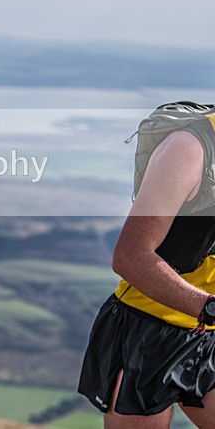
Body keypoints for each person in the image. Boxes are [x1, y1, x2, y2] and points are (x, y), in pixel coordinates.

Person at [78, 104, 215, 428]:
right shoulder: (188, 149)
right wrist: (208, 307)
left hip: (208, 331)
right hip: (146, 329)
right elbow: (131, 257)